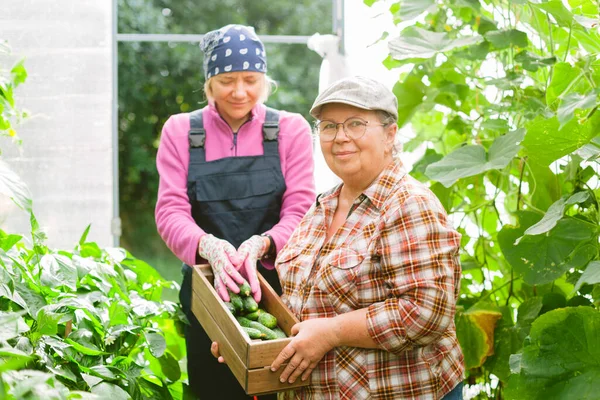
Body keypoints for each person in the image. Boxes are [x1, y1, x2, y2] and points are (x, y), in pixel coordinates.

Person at [212, 76, 464, 399]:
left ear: (390, 134)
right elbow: (302, 298)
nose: (340, 137)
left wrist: (332, 332)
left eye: (355, 124)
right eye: (329, 127)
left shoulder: (409, 204)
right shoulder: (323, 206)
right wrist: (244, 339)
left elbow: (428, 311)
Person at [155, 24, 316, 400]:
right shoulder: (181, 131)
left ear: (264, 80)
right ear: (210, 83)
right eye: (227, 80)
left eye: (250, 79)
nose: (240, 92)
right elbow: (170, 211)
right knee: (213, 389)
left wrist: (264, 244)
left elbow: (301, 209)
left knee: (277, 387)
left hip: (275, 291)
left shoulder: (289, 129)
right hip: (208, 290)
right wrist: (208, 246)